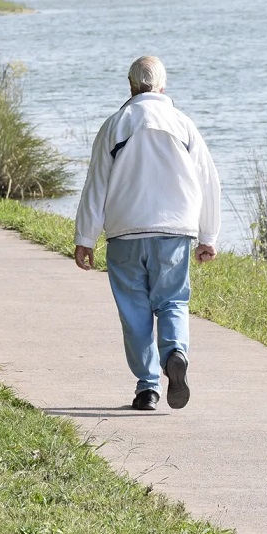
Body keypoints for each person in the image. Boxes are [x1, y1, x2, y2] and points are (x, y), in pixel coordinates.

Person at [73, 56, 220, 412]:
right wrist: (208, 235)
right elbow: (207, 180)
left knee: (134, 311)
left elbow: (97, 184)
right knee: (172, 300)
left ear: (131, 86)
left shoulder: (116, 124)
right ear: (162, 86)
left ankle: (147, 388)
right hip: (174, 230)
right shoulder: (183, 124)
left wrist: (85, 238)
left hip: (125, 231)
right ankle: (175, 353)